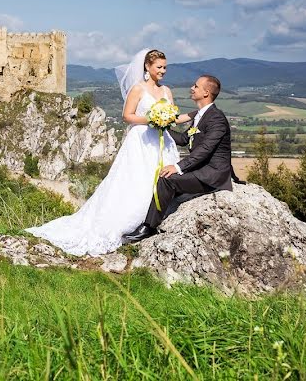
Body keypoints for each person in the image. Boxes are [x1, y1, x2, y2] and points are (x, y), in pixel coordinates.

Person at [25, 48, 191, 256]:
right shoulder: (138, 89)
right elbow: (127, 116)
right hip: (141, 140)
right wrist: (152, 119)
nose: (163, 71)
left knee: (162, 179)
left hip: (162, 141)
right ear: (148, 67)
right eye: (159, 67)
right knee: (136, 180)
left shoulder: (166, 91)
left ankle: (154, 218)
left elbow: (172, 117)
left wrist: (192, 115)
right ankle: (133, 223)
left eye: (165, 67)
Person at [122, 74, 239, 243]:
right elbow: (185, 139)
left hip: (213, 175)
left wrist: (177, 167)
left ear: (206, 93)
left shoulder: (216, 118)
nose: (192, 88)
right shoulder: (201, 115)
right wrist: (160, 125)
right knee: (166, 181)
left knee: (167, 179)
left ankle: (149, 227)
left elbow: (205, 150)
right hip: (202, 170)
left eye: (196, 86)